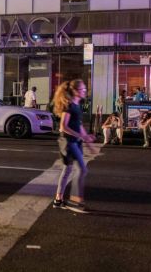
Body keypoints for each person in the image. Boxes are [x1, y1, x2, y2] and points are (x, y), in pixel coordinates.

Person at [52, 79, 95, 213]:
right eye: (82, 89)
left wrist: (87, 140)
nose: (85, 91)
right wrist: (82, 136)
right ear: (75, 91)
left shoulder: (77, 104)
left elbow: (79, 124)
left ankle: (58, 200)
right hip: (68, 142)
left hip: (75, 141)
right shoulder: (69, 106)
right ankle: (76, 201)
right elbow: (63, 126)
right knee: (82, 169)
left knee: (67, 170)